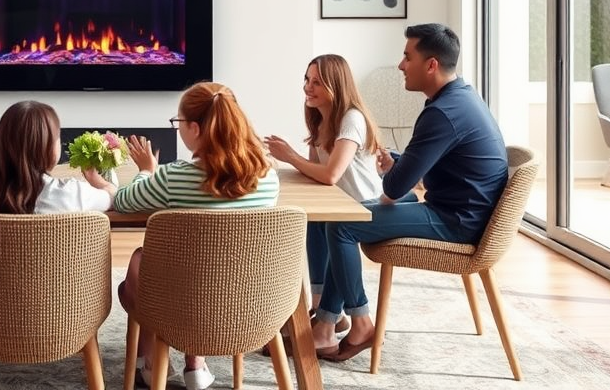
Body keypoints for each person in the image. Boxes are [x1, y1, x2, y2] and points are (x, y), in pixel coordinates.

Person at [312, 23, 509, 361]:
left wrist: (398, 171)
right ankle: (326, 324)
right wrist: (401, 161)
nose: (401, 65)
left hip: (457, 221)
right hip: (464, 210)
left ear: (431, 64)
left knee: (341, 225)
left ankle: (359, 324)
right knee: (344, 218)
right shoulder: (461, 97)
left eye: (407, 57)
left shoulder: (441, 113)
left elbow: (394, 187)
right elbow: (442, 161)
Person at [89, 81, 280, 390]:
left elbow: (123, 201)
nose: (177, 129)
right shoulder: (268, 176)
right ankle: (196, 364)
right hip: (250, 300)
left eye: (178, 123)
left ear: (194, 128)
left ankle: (151, 365)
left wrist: (147, 170)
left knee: (140, 265)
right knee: (209, 268)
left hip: (181, 305)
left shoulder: (174, 177)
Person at [264, 54, 383, 338]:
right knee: (312, 219)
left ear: (336, 85)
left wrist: (290, 156)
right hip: (341, 203)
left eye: (317, 82)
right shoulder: (320, 120)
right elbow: (314, 174)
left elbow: (330, 175)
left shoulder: (351, 119)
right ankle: (322, 308)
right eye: (307, 79)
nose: (308, 87)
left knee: (331, 227)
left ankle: (329, 316)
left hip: (366, 206)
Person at [0, 100, 112, 214]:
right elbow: (113, 197)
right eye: (57, 137)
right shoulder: (73, 193)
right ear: (50, 149)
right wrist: (100, 182)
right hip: (57, 278)